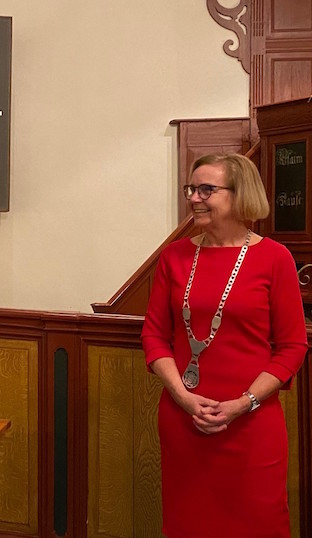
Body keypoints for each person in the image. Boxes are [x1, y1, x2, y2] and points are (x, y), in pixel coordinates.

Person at [141, 153, 308, 537]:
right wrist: (183, 397)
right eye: (191, 189)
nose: (194, 198)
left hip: (251, 423)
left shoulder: (274, 258)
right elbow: (154, 336)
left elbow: (292, 347)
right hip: (184, 419)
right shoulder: (174, 257)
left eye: (206, 190)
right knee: (189, 523)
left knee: (258, 522)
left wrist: (242, 404)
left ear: (239, 194)